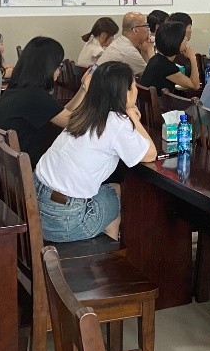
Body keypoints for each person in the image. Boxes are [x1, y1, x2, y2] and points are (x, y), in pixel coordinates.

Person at [34, 61, 157, 242]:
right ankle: (107, 254)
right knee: (117, 195)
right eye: (134, 86)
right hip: (65, 220)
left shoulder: (86, 110)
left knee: (111, 195)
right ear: (126, 92)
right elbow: (150, 154)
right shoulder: (116, 122)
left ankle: (107, 246)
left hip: (38, 207)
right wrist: (131, 115)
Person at [0, 37, 88, 168]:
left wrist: (83, 89)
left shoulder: (20, 88)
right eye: (59, 66)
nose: (59, 71)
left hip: (11, 168)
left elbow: (61, 113)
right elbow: (75, 124)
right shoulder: (34, 96)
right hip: (33, 170)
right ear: (48, 67)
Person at [140, 21, 199, 95]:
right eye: (183, 37)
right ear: (175, 41)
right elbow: (195, 86)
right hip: (159, 102)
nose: (186, 39)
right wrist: (193, 58)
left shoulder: (157, 59)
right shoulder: (166, 66)